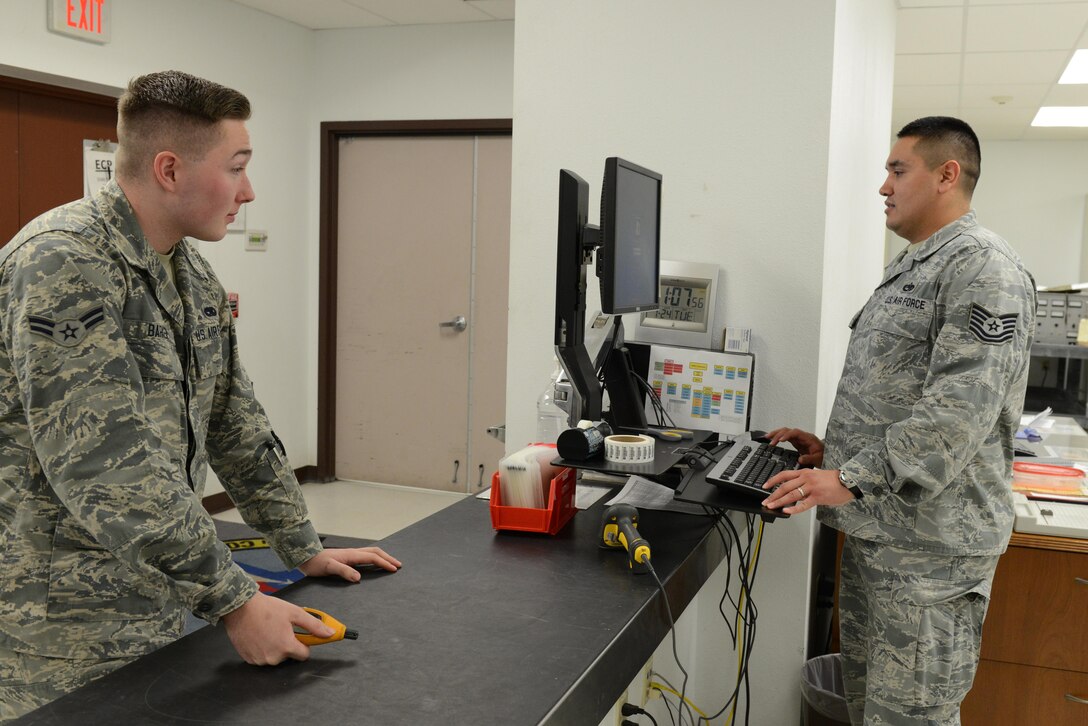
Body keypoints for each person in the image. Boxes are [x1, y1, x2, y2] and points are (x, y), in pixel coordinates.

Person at [0, 70, 401, 721]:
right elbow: (104, 461)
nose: (249, 190)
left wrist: (302, 545)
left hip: (157, 601)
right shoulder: (62, 263)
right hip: (58, 629)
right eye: (236, 167)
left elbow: (234, 423)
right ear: (169, 170)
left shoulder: (190, 273)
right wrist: (235, 602)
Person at [761, 116, 1035, 725]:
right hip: (883, 537)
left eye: (897, 170)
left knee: (911, 718)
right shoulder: (915, 265)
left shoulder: (983, 269)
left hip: (930, 557)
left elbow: (957, 413)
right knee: (872, 713)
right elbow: (902, 393)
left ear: (946, 175)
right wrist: (834, 452)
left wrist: (851, 477)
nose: (884, 186)